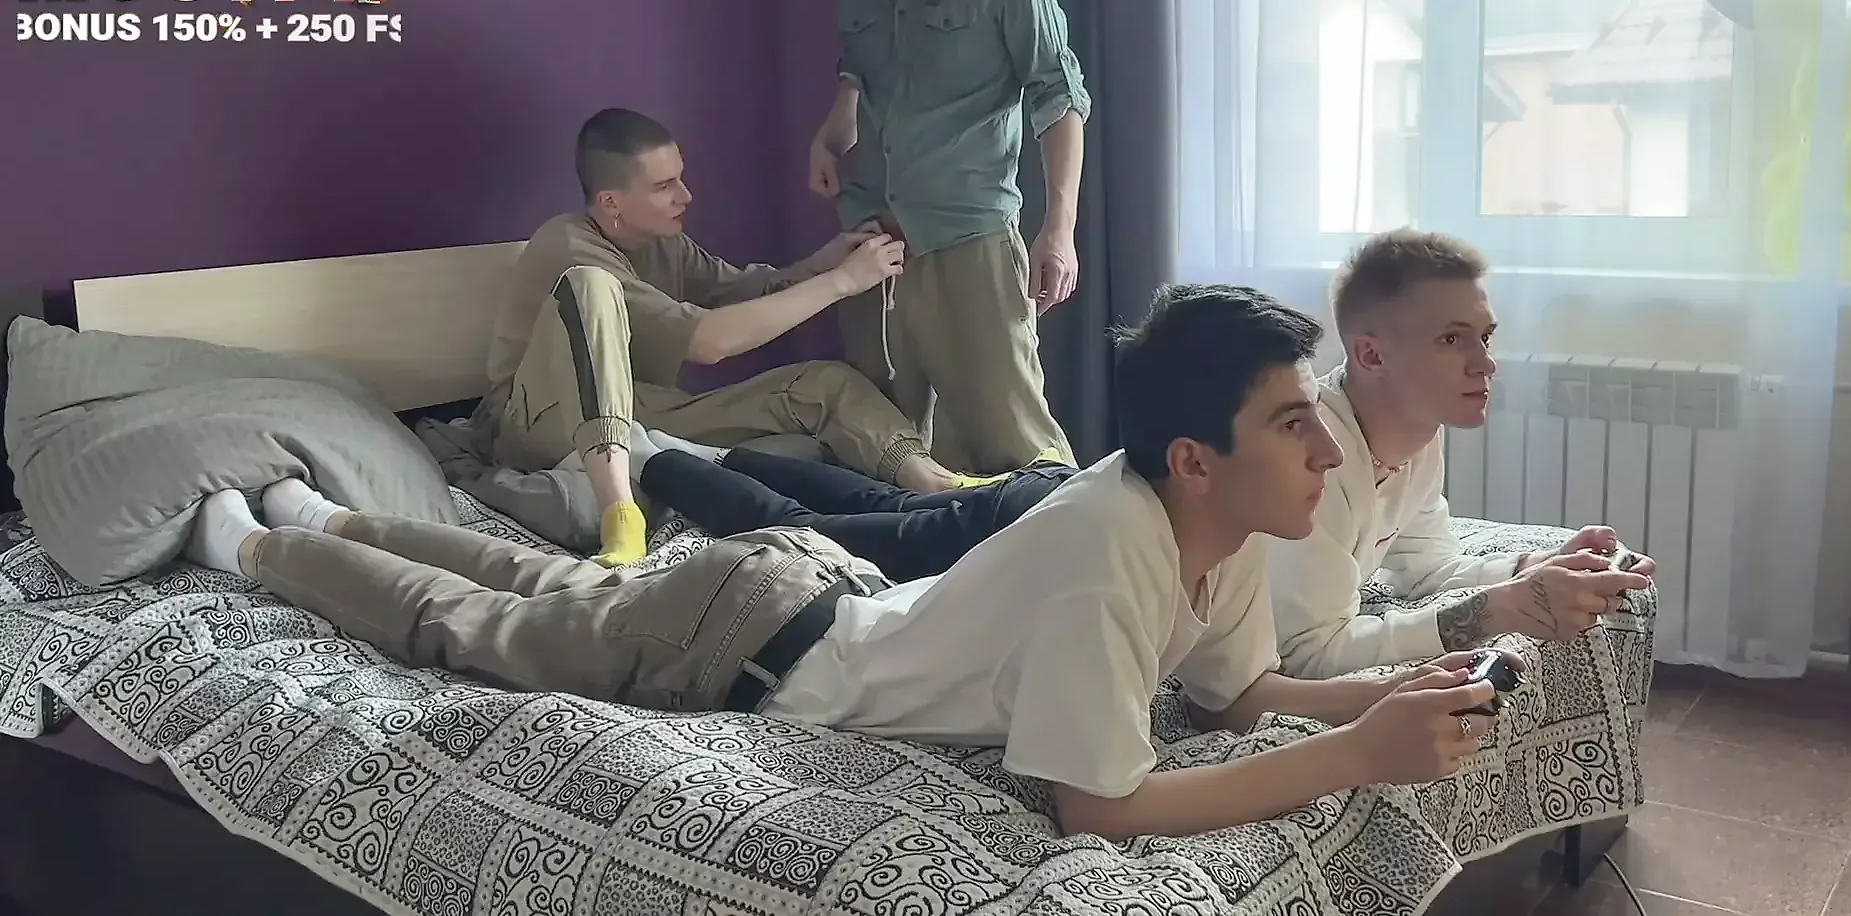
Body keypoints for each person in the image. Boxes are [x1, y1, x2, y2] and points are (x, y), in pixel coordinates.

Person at [182, 284, 1516, 841]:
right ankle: (259, 540)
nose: (1328, 450)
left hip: (802, 588)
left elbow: (1234, 701)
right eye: (1293, 425)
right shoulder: (1118, 547)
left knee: (551, 588)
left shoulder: (1209, 532)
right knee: (481, 630)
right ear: (1194, 457)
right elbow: (1097, 808)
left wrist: (1385, 699)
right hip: (756, 641)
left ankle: (329, 518)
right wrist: (1357, 754)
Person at [470, 107, 992, 569]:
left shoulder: (663, 243)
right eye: (664, 186)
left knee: (823, 384)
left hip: (640, 409)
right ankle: (619, 513)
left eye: (681, 177)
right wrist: (843, 282)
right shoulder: (567, 244)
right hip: (535, 420)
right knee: (591, 285)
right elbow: (708, 342)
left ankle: (932, 482)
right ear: (611, 202)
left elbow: (742, 290)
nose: (685, 195)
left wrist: (823, 262)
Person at [1264, 229, 1658, 678]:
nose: (1486, 364)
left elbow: (1425, 567)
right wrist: (1495, 610)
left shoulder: (1418, 432)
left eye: (1485, 337)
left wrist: (1535, 567)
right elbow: (1307, 655)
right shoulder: (1311, 459)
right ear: (1372, 355)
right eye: (1451, 340)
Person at [809, 0, 1085, 474]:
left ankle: (1077, 540)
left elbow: (1058, 90)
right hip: (870, 241)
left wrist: (1060, 229)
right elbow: (860, 63)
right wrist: (833, 127)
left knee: (1018, 451)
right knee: (884, 454)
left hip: (968, 236)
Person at [622, 426, 1075, 580]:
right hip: (1036, 525)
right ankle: (652, 463)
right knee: (809, 532)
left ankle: (709, 457)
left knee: (887, 502)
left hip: (1055, 487)